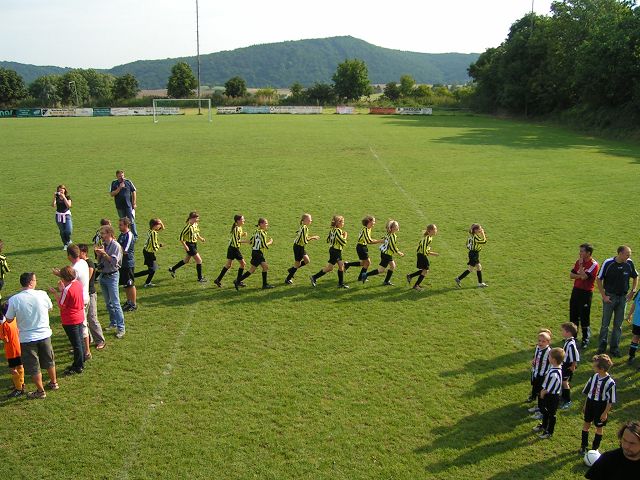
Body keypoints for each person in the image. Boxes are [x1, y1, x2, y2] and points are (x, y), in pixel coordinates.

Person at [4, 272, 58, 399]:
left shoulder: (14, 299)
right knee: (49, 360)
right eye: (35, 280)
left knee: (34, 366)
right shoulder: (42, 294)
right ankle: (54, 383)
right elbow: (50, 308)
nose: (36, 282)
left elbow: (9, 319)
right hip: (44, 334)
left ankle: (40, 391)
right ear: (30, 282)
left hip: (27, 338)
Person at [596, 245, 638, 357]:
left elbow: (635, 276)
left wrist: (633, 291)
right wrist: (604, 296)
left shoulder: (629, 263)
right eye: (627, 254)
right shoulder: (608, 263)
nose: (629, 256)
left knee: (618, 325)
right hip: (610, 297)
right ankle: (601, 348)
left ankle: (614, 348)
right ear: (620, 253)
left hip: (623, 298)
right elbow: (599, 279)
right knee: (605, 324)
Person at [52, 244, 92, 360]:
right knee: (82, 326)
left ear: (69, 255)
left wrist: (59, 275)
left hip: (79, 300)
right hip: (85, 296)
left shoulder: (75, 269)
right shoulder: (83, 262)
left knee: (82, 327)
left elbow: (69, 282)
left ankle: (85, 351)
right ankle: (81, 349)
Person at [49, 266, 85, 376]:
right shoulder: (77, 283)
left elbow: (61, 305)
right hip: (79, 316)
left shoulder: (67, 290)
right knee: (80, 341)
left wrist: (55, 293)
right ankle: (81, 361)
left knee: (76, 344)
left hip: (70, 319)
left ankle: (78, 366)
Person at [580, 354, 616, 455]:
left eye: (595, 366)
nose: (593, 367)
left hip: (600, 406)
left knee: (599, 427)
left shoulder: (610, 383)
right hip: (590, 403)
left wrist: (605, 413)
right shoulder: (594, 377)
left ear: (602, 369)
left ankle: (595, 448)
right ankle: (583, 446)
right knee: (586, 423)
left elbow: (610, 401)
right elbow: (589, 392)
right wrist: (585, 405)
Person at [94, 225, 126, 339]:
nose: (101, 236)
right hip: (103, 275)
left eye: (103, 233)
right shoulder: (104, 245)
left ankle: (121, 328)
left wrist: (104, 253)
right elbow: (100, 262)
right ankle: (113, 322)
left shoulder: (116, 246)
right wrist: (99, 255)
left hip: (112, 276)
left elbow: (113, 262)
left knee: (115, 303)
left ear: (109, 234)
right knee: (108, 303)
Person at [570, 243, 600, 349]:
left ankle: (585, 339)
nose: (580, 253)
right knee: (573, 314)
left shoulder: (594, 264)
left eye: (582, 251)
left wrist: (581, 267)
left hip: (586, 293)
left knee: (584, 316)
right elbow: (571, 275)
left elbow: (584, 277)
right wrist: (580, 275)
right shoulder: (578, 261)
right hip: (576, 290)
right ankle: (573, 337)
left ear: (588, 253)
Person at [310, 215, 351, 289]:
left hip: (333, 250)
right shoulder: (338, 230)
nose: (343, 223)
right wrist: (345, 235)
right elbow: (343, 242)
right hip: (336, 251)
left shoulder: (332, 230)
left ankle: (314, 277)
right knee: (338, 266)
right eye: (342, 222)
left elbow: (328, 239)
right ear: (338, 223)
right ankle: (340, 284)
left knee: (333, 267)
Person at [361, 219, 405, 286]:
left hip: (385, 253)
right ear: (392, 228)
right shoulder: (392, 236)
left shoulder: (389, 234)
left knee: (393, 266)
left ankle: (386, 281)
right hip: (387, 255)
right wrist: (398, 252)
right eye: (396, 226)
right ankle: (365, 275)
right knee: (381, 270)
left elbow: (386, 240)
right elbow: (392, 246)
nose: (398, 226)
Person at [234, 218, 274, 290]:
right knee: (260, 268)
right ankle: (238, 281)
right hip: (258, 253)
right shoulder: (262, 233)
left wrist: (240, 241)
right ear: (261, 224)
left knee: (260, 268)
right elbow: (263, 245)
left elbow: (251, 241)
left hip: (255, 252)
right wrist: (270, 242)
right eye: (265, 223)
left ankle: (238, 281)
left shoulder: (256, 231)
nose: (267, 225)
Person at [78, 244, 105, 350]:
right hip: (83, 294)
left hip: (90, 293)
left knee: (92, 318)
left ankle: (100, 340)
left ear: (84, 253)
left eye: (79, 252)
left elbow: (87, 279)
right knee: (83, 319)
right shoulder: (81, 263)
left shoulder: (89, 264)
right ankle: (88, 340)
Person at [533, 347, 564, 439]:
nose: (548, 358)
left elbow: (550, 387)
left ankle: (549, 431)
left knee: (551, 414)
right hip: (549, 394)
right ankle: (544, 425)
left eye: (549, 356)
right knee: (546, 412)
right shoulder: (554, 367)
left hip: (552, 396)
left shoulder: (555, 374)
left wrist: (543, 393)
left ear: (553, 360)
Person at [168, 211, 207, 283]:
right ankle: (200, 278)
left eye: (198, 218)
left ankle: (172, 269)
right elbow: (181, 238)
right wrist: (185, 246)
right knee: (199, 261)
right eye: (196, 218)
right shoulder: (188, 227)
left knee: (186, 261)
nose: (197, 219)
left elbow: (197, 233)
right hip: (190, 245)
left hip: (194, 244)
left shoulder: (195, 224)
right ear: (191, 218)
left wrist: (201, 238)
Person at [342, 215, 382, 282]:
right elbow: (369, 241)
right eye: (373, 221)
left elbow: (369, 239)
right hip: (361, 247)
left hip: (363, 246)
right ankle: (361, 277)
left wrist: (378, 241)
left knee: (363, 263)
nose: (374, 222)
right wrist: (380, 241)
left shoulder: (368, 229)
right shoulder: (365, 230)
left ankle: (347, 264)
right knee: (368, 263)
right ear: (369, 222)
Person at [214, 214, 248, 288]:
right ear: (238, 221)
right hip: (234, 249)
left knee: (228, 265)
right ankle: (238, 281)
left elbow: (237, 236)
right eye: (242, 219)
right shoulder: (236, 229)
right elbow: (236, 241)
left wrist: (242, 234)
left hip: (231, 248)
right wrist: (247, 242)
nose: (244, 220)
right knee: (243, 264)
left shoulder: (239, 227)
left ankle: (218, 280)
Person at [285, 213, 319, 285]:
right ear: (305, 220)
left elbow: (304, 238)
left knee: (307, 260)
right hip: (298, 247)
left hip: (301, 247)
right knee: (297, 264)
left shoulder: (304, 227)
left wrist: (312, 237)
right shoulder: (304, 228)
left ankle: (291, 270)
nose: (311, 221)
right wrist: (313, 237)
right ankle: (288, 279)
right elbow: (304, 240)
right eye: (309, 219)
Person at [0, 302, 24, 398]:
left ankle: (18, 388)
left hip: (11, 350)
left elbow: (4, 339)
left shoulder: (4, 325)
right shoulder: (16, 320)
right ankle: (21, 383)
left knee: (13, 369)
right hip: (19, 347)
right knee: (20, 366)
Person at [406, 224, 439, 291]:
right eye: (435, 229)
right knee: (426, 270)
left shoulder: (430, 237)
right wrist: (432, 253)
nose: (436, 230)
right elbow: (424, 250)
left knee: (425, 270)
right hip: (421, 255)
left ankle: (410, 276)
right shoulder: (427, 238)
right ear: (430, 231)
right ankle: (416, 285)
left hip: (422, 254)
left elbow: (426, 248)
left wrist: (432, 253)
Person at [527, 330, 552, 420]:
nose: (540, 343)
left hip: (543, 375)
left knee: (541, 392)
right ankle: (535, 400)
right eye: (539, 341)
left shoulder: (549, 352)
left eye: (543, 341)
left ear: (548, 342)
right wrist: (534, 360)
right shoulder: (538, 347)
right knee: (535, 387)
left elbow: (552, 363)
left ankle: (540, 408)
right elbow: (536, 355)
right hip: (535, 372)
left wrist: (548, 374)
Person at [455, 223, 488, 288]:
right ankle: (458, 279)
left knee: (479, 267)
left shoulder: (471, 236)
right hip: (474, 254)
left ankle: (480, 283)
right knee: (471, 269)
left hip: (473, 253)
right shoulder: (475, 237)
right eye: (480, 229)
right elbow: (484, 241)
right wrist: (483, 234)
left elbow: (467, 244)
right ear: (475, 230)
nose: (481, 230)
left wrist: (472, 248)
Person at [134, 218, 165, 287]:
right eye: (159, 225)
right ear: (155, 226)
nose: (160, 226)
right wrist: (159, 246)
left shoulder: (150, 230)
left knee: (153, 269)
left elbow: (162, 228)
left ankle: (147, 282)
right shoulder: (153, 233)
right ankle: (133, 275)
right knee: (152, 269)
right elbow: (154, 246)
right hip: (149, 253)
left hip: (147, 251)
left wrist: (161, 222)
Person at [109, 170, 137, 238]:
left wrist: (134, 203)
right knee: (122, 222)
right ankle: (124, 235)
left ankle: (134, 236)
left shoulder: (128, 182)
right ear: (116, 176)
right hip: (120, 206)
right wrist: (119, 188)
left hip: (128, 205)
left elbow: (134, 191)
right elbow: (112, 194)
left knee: (131, 221)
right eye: (120, 176)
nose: (121, 177)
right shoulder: (114, 183)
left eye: (122, 175)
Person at [117, 217, 137, 311]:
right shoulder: (122, 235)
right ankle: (129, 301)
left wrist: (116, 245)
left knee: (130, 284)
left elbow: (125, 250)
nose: (119, 227)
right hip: (122, 263)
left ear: (126, 225)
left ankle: (133, 304)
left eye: (120, 225)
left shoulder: (129, 235)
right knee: (125, 284)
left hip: (128, 263)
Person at [560, 322, 580, 409]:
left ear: (568, 333)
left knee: (565, 382)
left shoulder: (571, 344)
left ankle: (568, 400)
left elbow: (575, 356)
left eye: (563, 331)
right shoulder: (568, 341)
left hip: (568, 366)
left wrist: (573, 366)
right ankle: (563, 396)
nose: (562, 332)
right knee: (563, 381)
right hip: (565, 365)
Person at [52, 184, 73, 250]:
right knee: (62, 231)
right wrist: (54, 197)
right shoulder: (57, 197)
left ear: (64, 190)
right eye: (59, 190)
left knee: (68, 230)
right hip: (58, 216)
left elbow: (69, 206)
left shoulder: (68, 197)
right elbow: (53, 205)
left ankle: (68, 240)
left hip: (67, 215)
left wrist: (64, 197)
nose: (61, 191)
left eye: (62, 190)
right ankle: (65, 244)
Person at [626, 291, 640, 366]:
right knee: (635, 337)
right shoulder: (639, 292)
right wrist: (629, 314)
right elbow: (634, 304)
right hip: (637, 320)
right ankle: (631, 356)